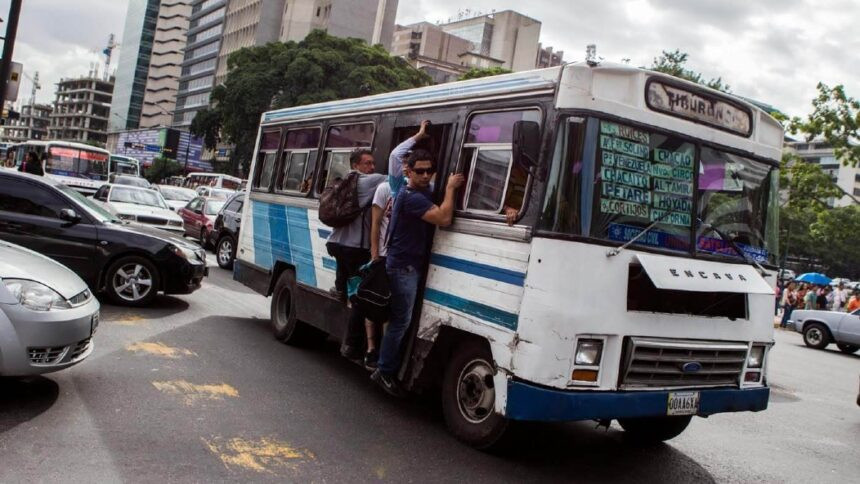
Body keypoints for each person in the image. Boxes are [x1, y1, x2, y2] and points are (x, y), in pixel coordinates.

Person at [370, 148, 464, 395]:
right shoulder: (411, 196)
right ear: (408, 172)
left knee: (401, 320)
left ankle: (386, 366)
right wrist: (451, 188)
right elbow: (444, 218)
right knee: (400, 321)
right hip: (403, 268)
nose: (425, 176)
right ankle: (384, 371)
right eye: (419, 171)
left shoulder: (420, 191)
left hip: (407, 265)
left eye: (429, 171)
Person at [364, 122, 431, 369]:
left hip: (399, 257)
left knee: (392, 313)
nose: (424, 175)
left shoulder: (425, 189)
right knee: (380, 307)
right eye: (407, 164)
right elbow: (375, 224)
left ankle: (383, 358)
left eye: (428, 171)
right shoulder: (395, 187)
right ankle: (375, 355)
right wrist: (419, 136)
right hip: (387, 256)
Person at [325, 148, 387, 361]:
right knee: (361, 298)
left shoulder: (344, 182)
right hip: (354, 249)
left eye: (373, 163)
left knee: (349, 292)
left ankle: (341, 290)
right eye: (367, 163)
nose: (372, 167)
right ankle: (351, 345)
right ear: (355, 166)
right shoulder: (367, 181)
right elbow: (397, 179)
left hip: (336, 244)